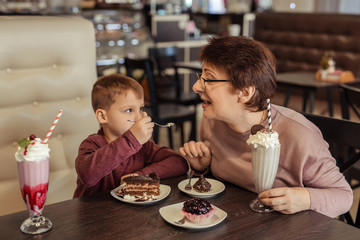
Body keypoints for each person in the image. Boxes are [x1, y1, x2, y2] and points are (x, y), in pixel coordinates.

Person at [179, 36, 353, 218]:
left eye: (210, 79)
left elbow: (344, 196)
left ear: (245, 92)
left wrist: (306, 199)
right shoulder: (212, 119)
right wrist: (203, 168)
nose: (196, 86)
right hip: (236, 221)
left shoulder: (298, 136)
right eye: (201, 77)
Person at [74, 74, 187, 198]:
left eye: (140, 109)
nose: (139, 117)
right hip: (92, 215)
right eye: (128, 110)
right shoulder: (91, 144)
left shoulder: (143, 146)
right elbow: (87, 176)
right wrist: (131, 140)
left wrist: (141, 176)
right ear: (102, 116)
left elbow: (180, 163)